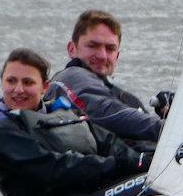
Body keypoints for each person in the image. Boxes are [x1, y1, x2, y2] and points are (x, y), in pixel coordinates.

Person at [0, 48, 153, 196]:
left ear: (44, 87)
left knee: (162, 167)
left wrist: (139, 159)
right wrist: (123, 164)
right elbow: (54, 167)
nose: (18, 89)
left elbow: (106, 141)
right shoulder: (1, 129)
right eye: (11, 81)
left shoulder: (61, 109)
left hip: (101, 184)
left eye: (28, 82)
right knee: (157, 183)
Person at [44, 9, 171, 151]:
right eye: (93, 46)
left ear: (117, 56)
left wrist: (172, 112)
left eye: (110, 49)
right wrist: (172, 129)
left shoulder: (122, 97)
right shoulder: (71, 77)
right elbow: (105, 112)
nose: (102, 56)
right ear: (72, 49)